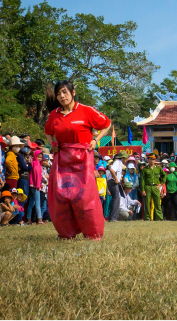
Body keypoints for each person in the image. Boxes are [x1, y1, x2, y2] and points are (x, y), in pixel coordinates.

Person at [44, 80, 112, 240]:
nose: (61, 96)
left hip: (83, 158)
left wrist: (96, 140)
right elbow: (48, 130)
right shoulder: (54, 114)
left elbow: (106, 124)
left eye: (64, 92)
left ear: (73, 92)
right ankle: (66, 233)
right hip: (62, 159)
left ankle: (93, 233)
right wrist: (52, 142)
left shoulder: (86, 111)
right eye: (59, 93)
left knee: (84, 197)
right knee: (61, 196)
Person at [140, 155, 164, 221]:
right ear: (148, 159)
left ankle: (159, 217)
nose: (152, 161)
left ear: (155, 160)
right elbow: (142, 180)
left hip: (155, 186)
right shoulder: (145, 169)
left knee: (157, 203)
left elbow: (164, 176)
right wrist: (143, 189)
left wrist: (161, 184)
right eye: (150, 159)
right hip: (147, 186)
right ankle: (147, 217)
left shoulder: (158, 168)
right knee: (147, 203)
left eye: (153, 159)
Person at [106, 151, 126, 222]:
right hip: (113, 181)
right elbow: (111, 170)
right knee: (116, 198)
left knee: (116, 198)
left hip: (113, 182)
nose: (126, 160)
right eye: (125, 158)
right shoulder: (118, 162)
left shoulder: (119, 163)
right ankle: (113, 218)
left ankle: (113, 216)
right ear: (122, 158)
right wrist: (116, 178)